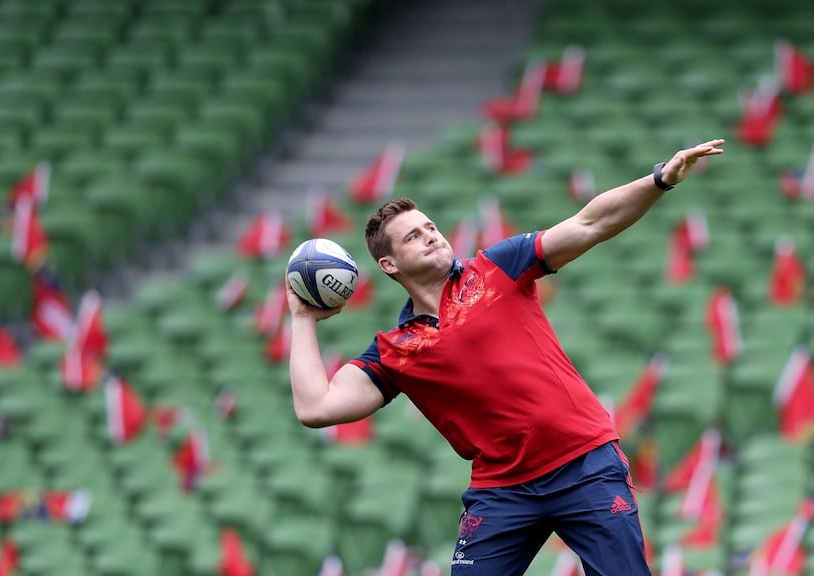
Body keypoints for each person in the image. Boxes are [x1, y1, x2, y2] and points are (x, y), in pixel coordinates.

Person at [286, 139, 725, 575]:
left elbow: (590, 223)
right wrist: (302, 318)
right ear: (389, 265)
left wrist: (659, 179)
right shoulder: (396, 350)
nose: (431, 237)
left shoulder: (497, 267)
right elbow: (315, 407)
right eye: (413, 237)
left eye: (432, 227)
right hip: (503, 491)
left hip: (585, 464)